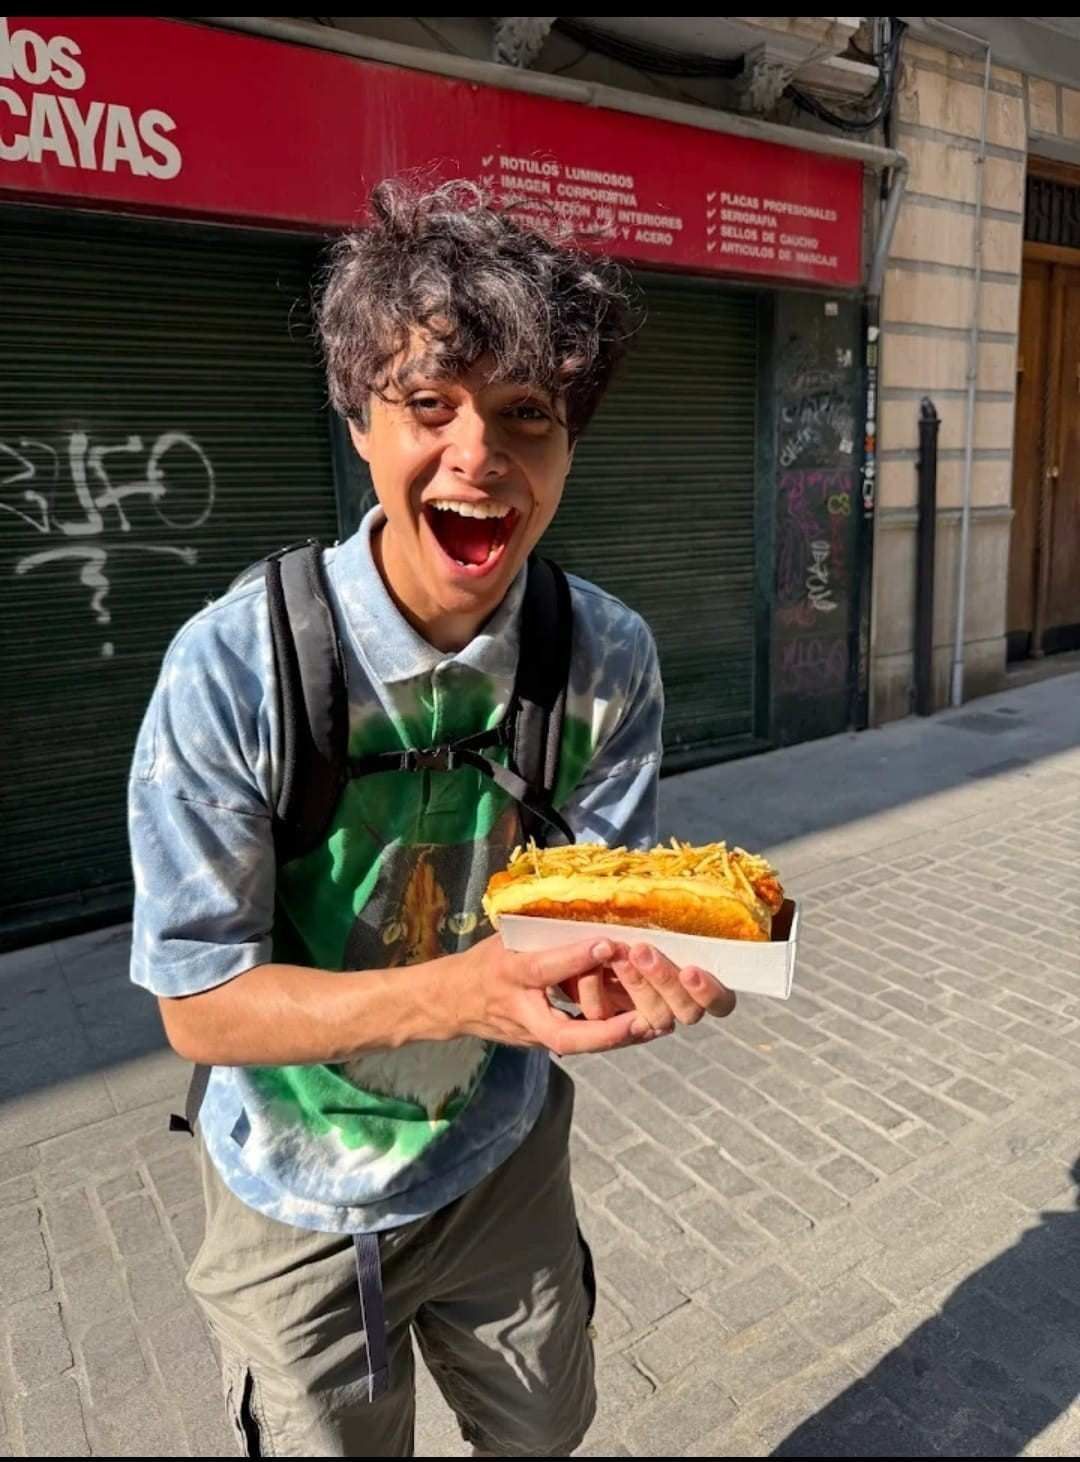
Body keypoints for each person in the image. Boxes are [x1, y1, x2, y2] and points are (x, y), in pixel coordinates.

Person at [129, 179, 736, 1459]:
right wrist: (464, 991)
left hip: (501, 1160)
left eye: (529, 416)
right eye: (429, 406)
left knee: (543, 1432)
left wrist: (642, 972)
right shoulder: (235, 667)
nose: (479, 457)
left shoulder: (603, 658)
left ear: (569, 448)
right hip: (292, 1196)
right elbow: (200, 1005)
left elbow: (583, 918)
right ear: (360, 419)